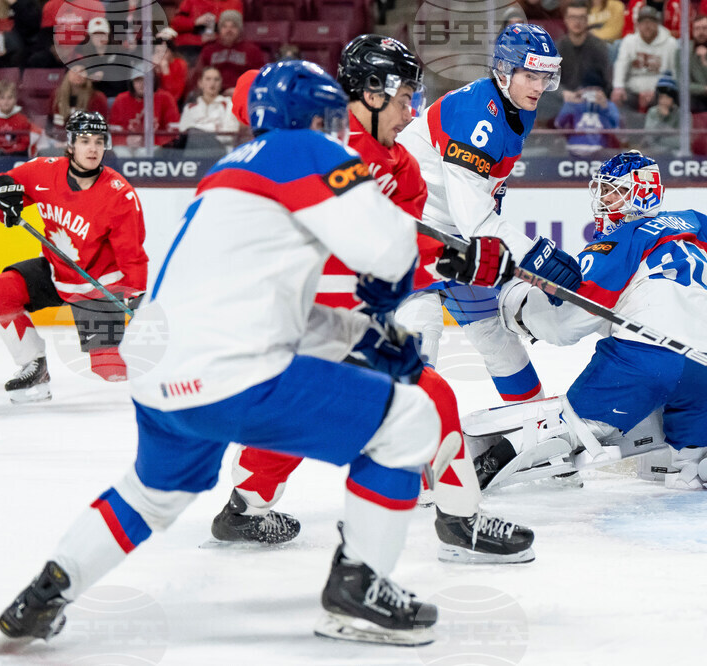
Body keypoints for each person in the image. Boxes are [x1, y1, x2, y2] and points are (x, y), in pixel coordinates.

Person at [0, 61, 445, 652]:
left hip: (161, 371)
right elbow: (391, 251)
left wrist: (358, 335)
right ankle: (360, 591)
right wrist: (393, 295)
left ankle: (46, 592)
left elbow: (268, 306)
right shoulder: (304, 150)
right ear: (313, 120)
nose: (337, 130)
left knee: (149, 495)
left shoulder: (226, 174)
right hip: (232, 374)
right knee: (410, 420)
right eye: (331, 118)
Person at [211, 36, 538, 565]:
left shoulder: (402, 169)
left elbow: (398, 247)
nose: (412, 112)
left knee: (306, 414)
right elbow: (249, 91)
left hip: (331, 322)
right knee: (423, 399)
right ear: (370, 92)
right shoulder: (315, 138)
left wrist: (462, 259)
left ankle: (243, 510)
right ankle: (453, 523)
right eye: (406, 98)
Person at [469, 151, 707, 495]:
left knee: (576, 427)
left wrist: (518, 307)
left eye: (612, 192)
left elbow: (569, 320)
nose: (603, 201)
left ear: (636, 195)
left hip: (649, 357)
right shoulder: (696, 224)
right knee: (692, 466)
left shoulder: (619, 241)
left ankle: (479, 468)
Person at [396, 23, 581, 405]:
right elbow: (474, 218)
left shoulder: (516, 105)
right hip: (412, 232)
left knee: (495, 336)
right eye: (530, 75)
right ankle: (405, 428)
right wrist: (533, 256)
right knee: (421, 331)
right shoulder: (476, 116)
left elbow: (480, 199)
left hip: (457, 241)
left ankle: (534, 424)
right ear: (503, 70)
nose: (538, 86)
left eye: (545, 77)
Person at [0, 111, 147, 403]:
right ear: (70, 144)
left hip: (97, 287)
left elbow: (131, 255)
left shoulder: (120, 195)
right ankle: (34, 366)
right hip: (56, 272)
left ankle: (164, 389)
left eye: (99, 141)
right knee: (0, 290)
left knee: (109, 371)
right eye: (85, 141)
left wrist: (136, 293)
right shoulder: (42, 172)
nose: (93, 148)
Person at [612, 6, 677, 117]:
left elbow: (674, 73)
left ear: (658, 24)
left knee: (669, 98)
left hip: (660, 91)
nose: (647, 26)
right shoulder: (629, 41)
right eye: (643, 22)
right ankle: (625, 128)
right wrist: (618, 87)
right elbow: (620, 66)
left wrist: (658, 92)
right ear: (638, 25)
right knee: (618, 96)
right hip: (633, 91)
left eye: (651, 22)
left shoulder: (671, 43)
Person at [192, 9, 265, 95]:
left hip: (242, 95)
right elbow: (198, 77)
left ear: (240, 29)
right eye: (224, 26)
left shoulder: (252, 51)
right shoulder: (209, 50)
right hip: (213, 95)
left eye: (233, 26)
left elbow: (259, 77)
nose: (228, 30)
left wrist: (240, 90)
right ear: (219, 29)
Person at [108, 70, 181, 155]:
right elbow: (113, 132)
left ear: (153, 81)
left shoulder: (166, 98)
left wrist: (151, 140)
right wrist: (126, 140)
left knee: (144, 153)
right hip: (128, 146)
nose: (142, 84)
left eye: (147, 79)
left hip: (155, 144)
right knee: (121, 153)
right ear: (131, 82)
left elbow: (174, 131)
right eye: (138, 80)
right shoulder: (121, 99)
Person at [555, 68, 621, 157]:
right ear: (582, 89)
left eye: (596, 89)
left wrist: (604, 107)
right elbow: (559, 124)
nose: (592, 93)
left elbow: (616, 127)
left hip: (601, 150)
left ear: (602, 91)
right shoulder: (575, 103)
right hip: (574, 148)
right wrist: (571, 103)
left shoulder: (608, 105)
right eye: (589, 89)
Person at [557, 0, 614, 97]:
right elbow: (550, 82)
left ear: (587, 19)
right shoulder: (559, 47)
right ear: (565, 19)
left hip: (592, 97)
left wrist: (599, 93)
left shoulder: (599, 47)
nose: (577, 22)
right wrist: (564, 94)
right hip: (565, 98)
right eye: (573, 17)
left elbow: (608, 83)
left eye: (581, 17)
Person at [47, 65, 110, 145]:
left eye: (82, 71)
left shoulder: (97, 98)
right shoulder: (56, 95)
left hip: (86, 142)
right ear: (67, 74)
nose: (78, 74)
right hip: (57, 140)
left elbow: (99, 127)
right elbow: (49, 122)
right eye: (74, 70)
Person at [178, 66, 239, 140]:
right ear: (200, 83)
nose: (212, 83)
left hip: (218, 145)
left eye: (216, 79)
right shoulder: (189, 108)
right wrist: (211, 128)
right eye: (208, 79)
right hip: (194, 145)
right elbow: (183, 132)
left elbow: (230, 134)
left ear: (221, 83)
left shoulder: (228, 104)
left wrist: (202, 130)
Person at [170, 0, 243, 62]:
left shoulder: (234, 3)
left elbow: (235, 30)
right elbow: (176, 24)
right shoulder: (191, 1)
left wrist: (216, 37)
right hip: (191, 47)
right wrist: (195, 22)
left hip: (218, 46)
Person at [0, 79, 31, 156]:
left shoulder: (23, 119)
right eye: (2, 98)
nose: (6, 101)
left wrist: (12, 150)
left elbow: (25, 142)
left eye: (10, 97)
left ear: (15, 99)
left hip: (18, 155)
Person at [640, 72, 680, 154]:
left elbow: (681, 142)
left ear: (674, 99)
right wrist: (661, 117)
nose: (663, 101)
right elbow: (649, 138)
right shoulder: (652, 112)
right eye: (661, 97)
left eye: (667, 97)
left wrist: (660, 136)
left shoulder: (684, 114)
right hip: (655, 152)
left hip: (675, 153)